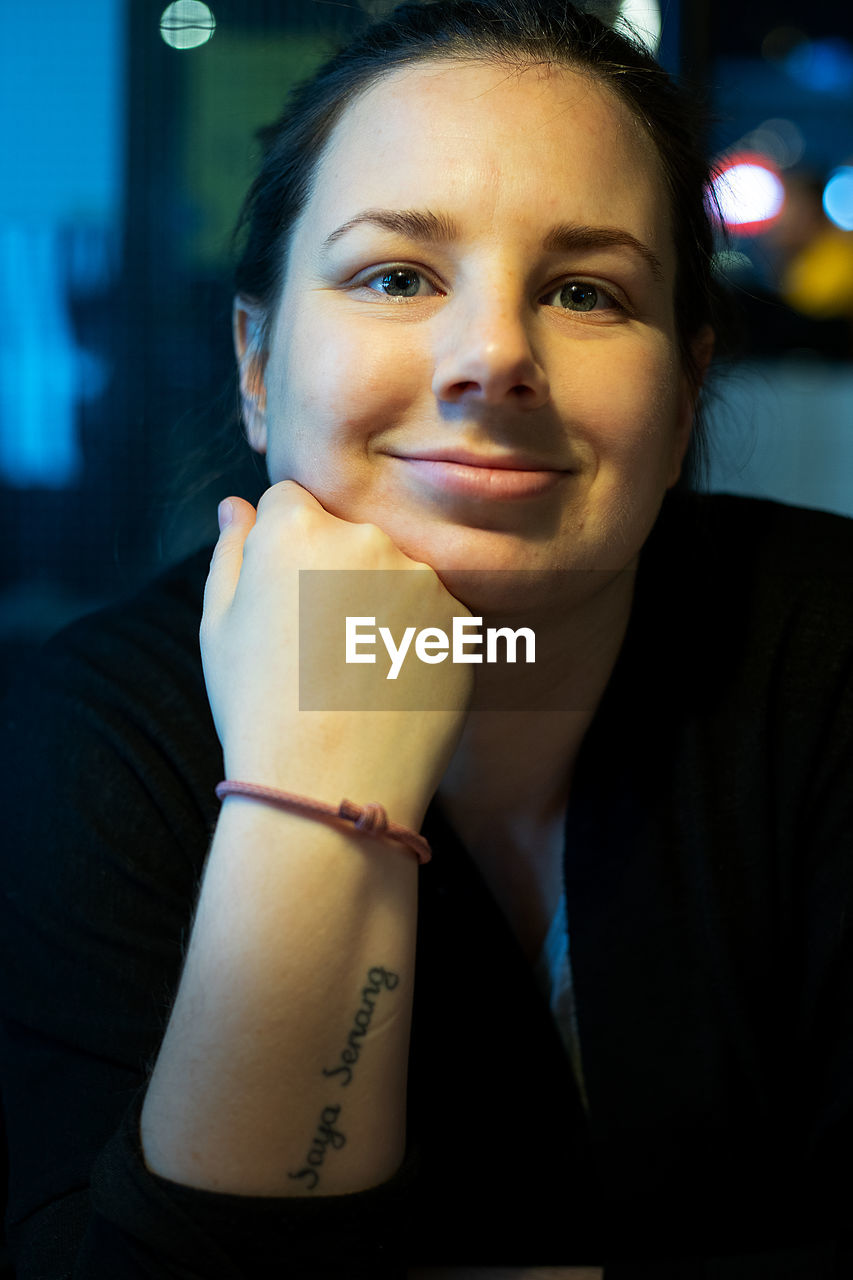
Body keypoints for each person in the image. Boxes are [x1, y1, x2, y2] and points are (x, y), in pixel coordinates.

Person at [1, 1, 852, 1277]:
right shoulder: (96, 738)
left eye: (584, 290)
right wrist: (313, 785)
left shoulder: (829, 650)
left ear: (682, 399)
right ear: (255, 360)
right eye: (396, 275)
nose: (493, 357)